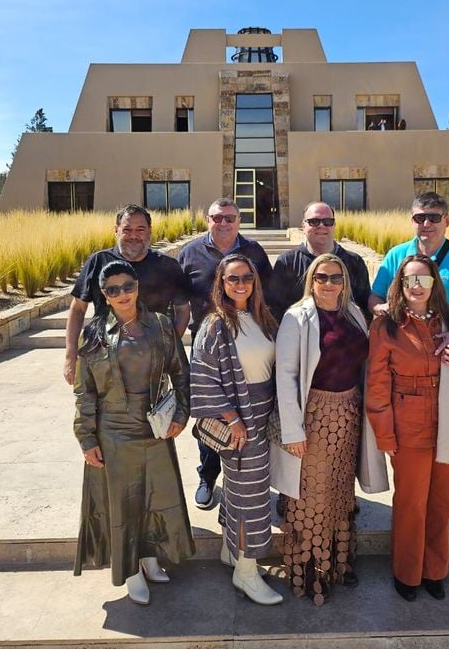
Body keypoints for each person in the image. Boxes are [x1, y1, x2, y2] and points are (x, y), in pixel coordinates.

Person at [369, 191, 449, 534]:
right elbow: (376, 296)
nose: (426, 223)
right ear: (412, 220)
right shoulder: (397, 256)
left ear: (447, 220)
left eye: (434, 217)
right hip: (409, 358)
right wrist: (387, 318)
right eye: (420, 217)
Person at [73, 260, 195, 605]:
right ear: (104, 295)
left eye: (128, 286)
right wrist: (86, 438)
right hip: (113, 431)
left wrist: (182, 414)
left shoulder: (160, 325)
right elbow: (86, 391)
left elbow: (180, 373)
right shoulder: (94, 333)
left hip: (154, 427)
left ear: (138, 286)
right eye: (113, 290)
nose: (122, 294)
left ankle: (151, 556)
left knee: (157, 495)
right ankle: (131, 570)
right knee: (125, 503)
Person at [273, 254, 388, 606]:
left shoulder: (353, 313)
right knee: (312, 498)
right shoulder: (297, 318)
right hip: (315, 418)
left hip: (349, 416)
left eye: (335, 278)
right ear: (312, 279)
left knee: (340, 495)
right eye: (321, 277)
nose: (328, 284)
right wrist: (293, 432)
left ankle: (338, 565)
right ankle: (309, 573)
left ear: (344, 282)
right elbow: (287, 377)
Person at [366, 254, 449, 602]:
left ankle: (435, 570)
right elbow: (377, 385)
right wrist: (385, 433)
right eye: (409, 280)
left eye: (424, 279)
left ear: (434, 285)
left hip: (446, 422)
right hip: (408, 424)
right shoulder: (387, 327)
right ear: (399, 285)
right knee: (412, 502)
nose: (417, 286)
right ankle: (407, 572)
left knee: (442, 501)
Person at [189, 254, 283, 605]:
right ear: (222, 283)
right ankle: (247, 571)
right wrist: (233, 419)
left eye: (246, 277)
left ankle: (231, 552)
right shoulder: (215, 324)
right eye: (232, 279)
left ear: (255, 281)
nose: (240, 283)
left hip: (262, 415)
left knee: (239, 489)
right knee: (253, 497)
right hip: (238, 422)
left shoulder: (262, 318)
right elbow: (202, 376)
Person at [268, 200, 372, 516]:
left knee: (340, 463)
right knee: (304, 468)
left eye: (327, 221)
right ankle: (292, 503)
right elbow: (274, 310)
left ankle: (342, 505)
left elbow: (365, 310)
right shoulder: (287, 263)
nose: (321, 227)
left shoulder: (352, 262)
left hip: (346, 392)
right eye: (314, 222)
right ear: (304, 225)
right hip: (307, 386)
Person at [179, 198, 272, 510]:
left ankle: (244, 481)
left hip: (247, 337)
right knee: (211, 414)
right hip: (207, 342)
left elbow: (266, 295)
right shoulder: (190, 252)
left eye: (229, 218)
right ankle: (208, 476)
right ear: (208, 219)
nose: (223, 223)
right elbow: (179, 302)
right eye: (217, 218)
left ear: (239, 220)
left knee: (248, 415)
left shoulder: (254, 252)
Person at [63, 204, 190, 385]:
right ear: (116, 231)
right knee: (98, 410)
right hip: (103, 358)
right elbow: (77, 309)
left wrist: (168, 348)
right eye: (127, 229)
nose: (133, 236)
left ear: (149, 232)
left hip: (152, 361)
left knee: (154, 411)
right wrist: (70, 355)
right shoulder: (98, 261)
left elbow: (183, 310)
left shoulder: (168, 266)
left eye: (140, 229)